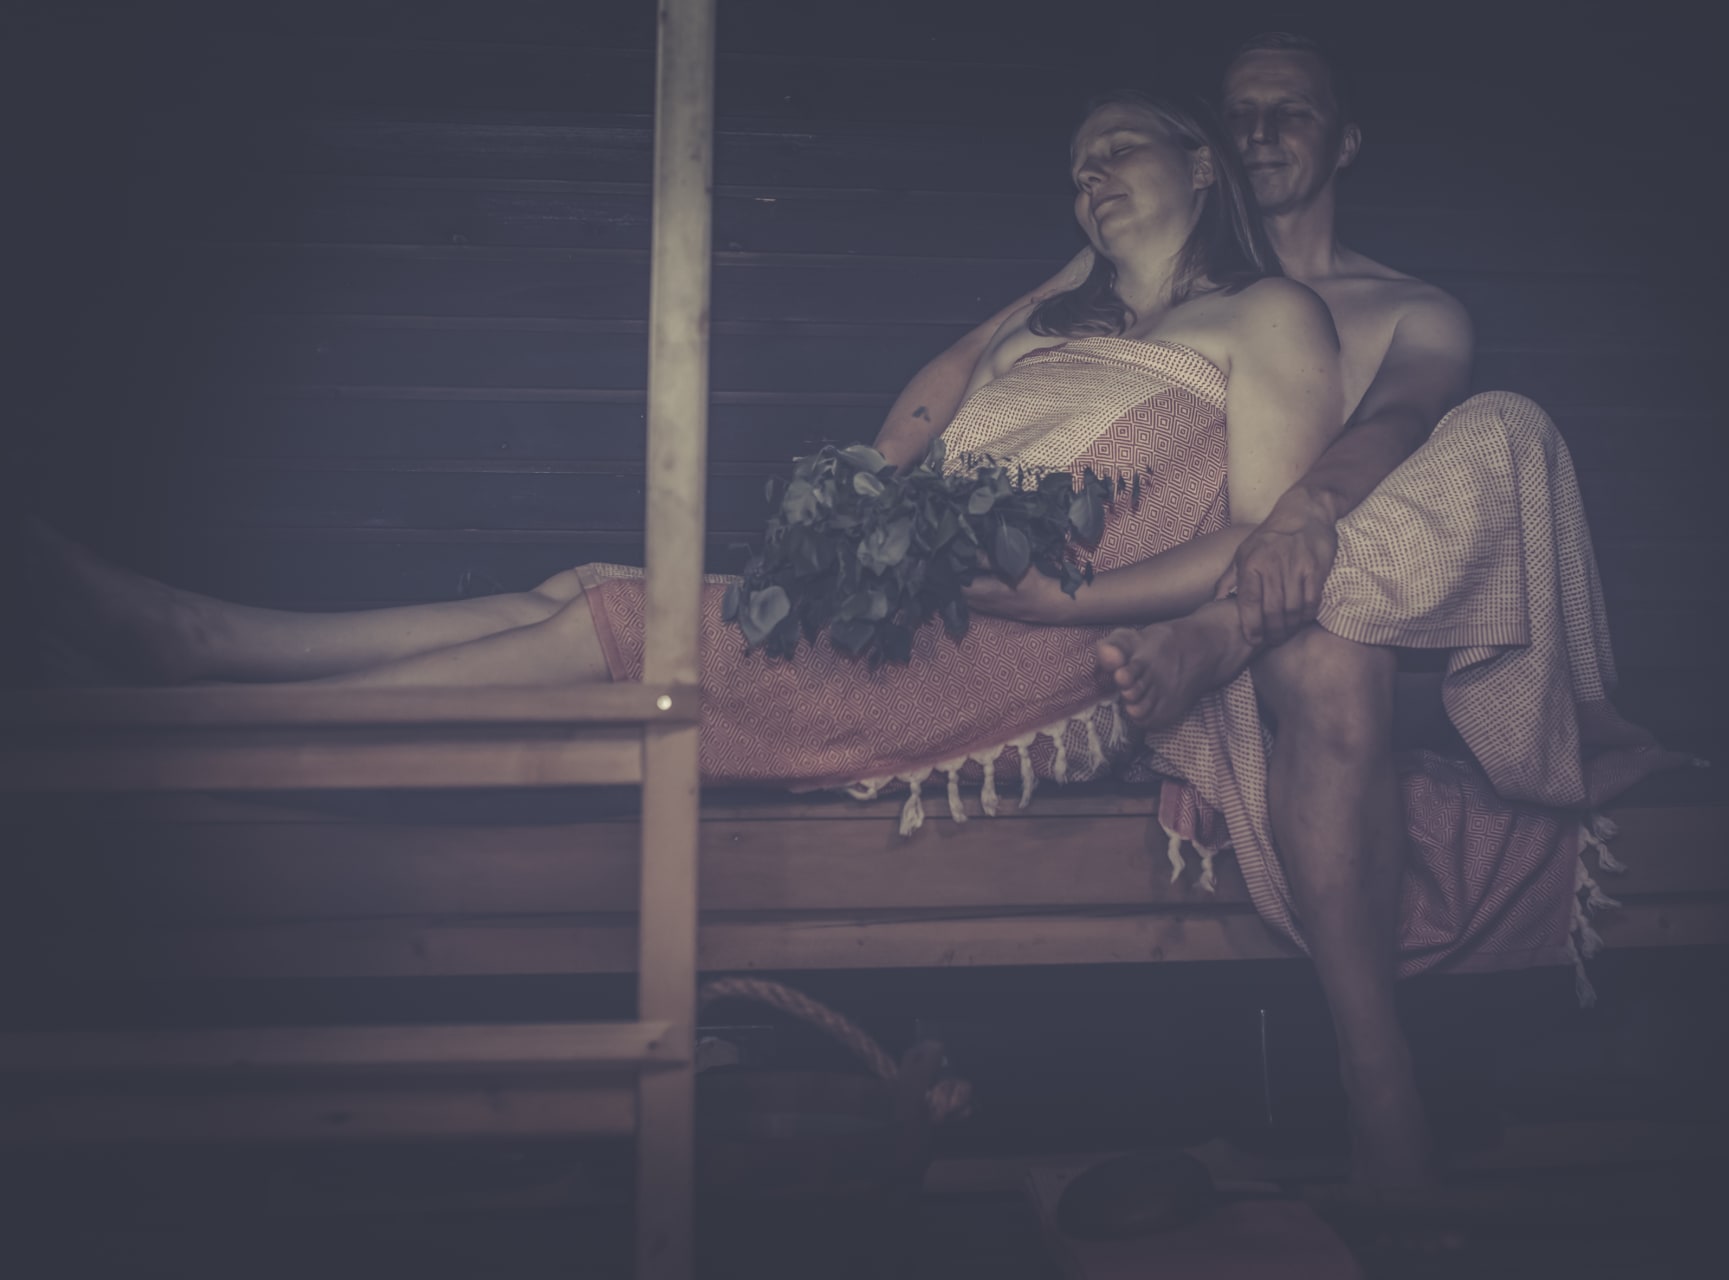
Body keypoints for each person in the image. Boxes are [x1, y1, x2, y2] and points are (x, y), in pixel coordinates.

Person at [33, 91, 1343, 806]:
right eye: (1074, 167)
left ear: (1202, 166)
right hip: (927, 620)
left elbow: (1260, 541)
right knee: (588, 586)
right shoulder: (1050, 332)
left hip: (1031, 659)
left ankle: (208, 730)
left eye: (1118, 148)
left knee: (618, 619)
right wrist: (872, 513)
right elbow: (924, 427)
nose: (1090, 172)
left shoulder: (1270, 317)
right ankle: (207, 646)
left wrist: (1071, 598)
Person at [872, 33, 1470, 1189]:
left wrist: (1298, 522)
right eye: (1240, 114)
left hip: (1305, 597)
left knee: (1339, 638)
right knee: (1304, 625)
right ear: (1208, 149)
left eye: (1291, 113)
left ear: (1346, 140)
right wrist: (865, 506)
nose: (1261, 135)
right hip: (1163, 595)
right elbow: (972, 358)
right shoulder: (1122, 278)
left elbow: (1399, 429)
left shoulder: (1410, 309)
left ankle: (1375, 1070)